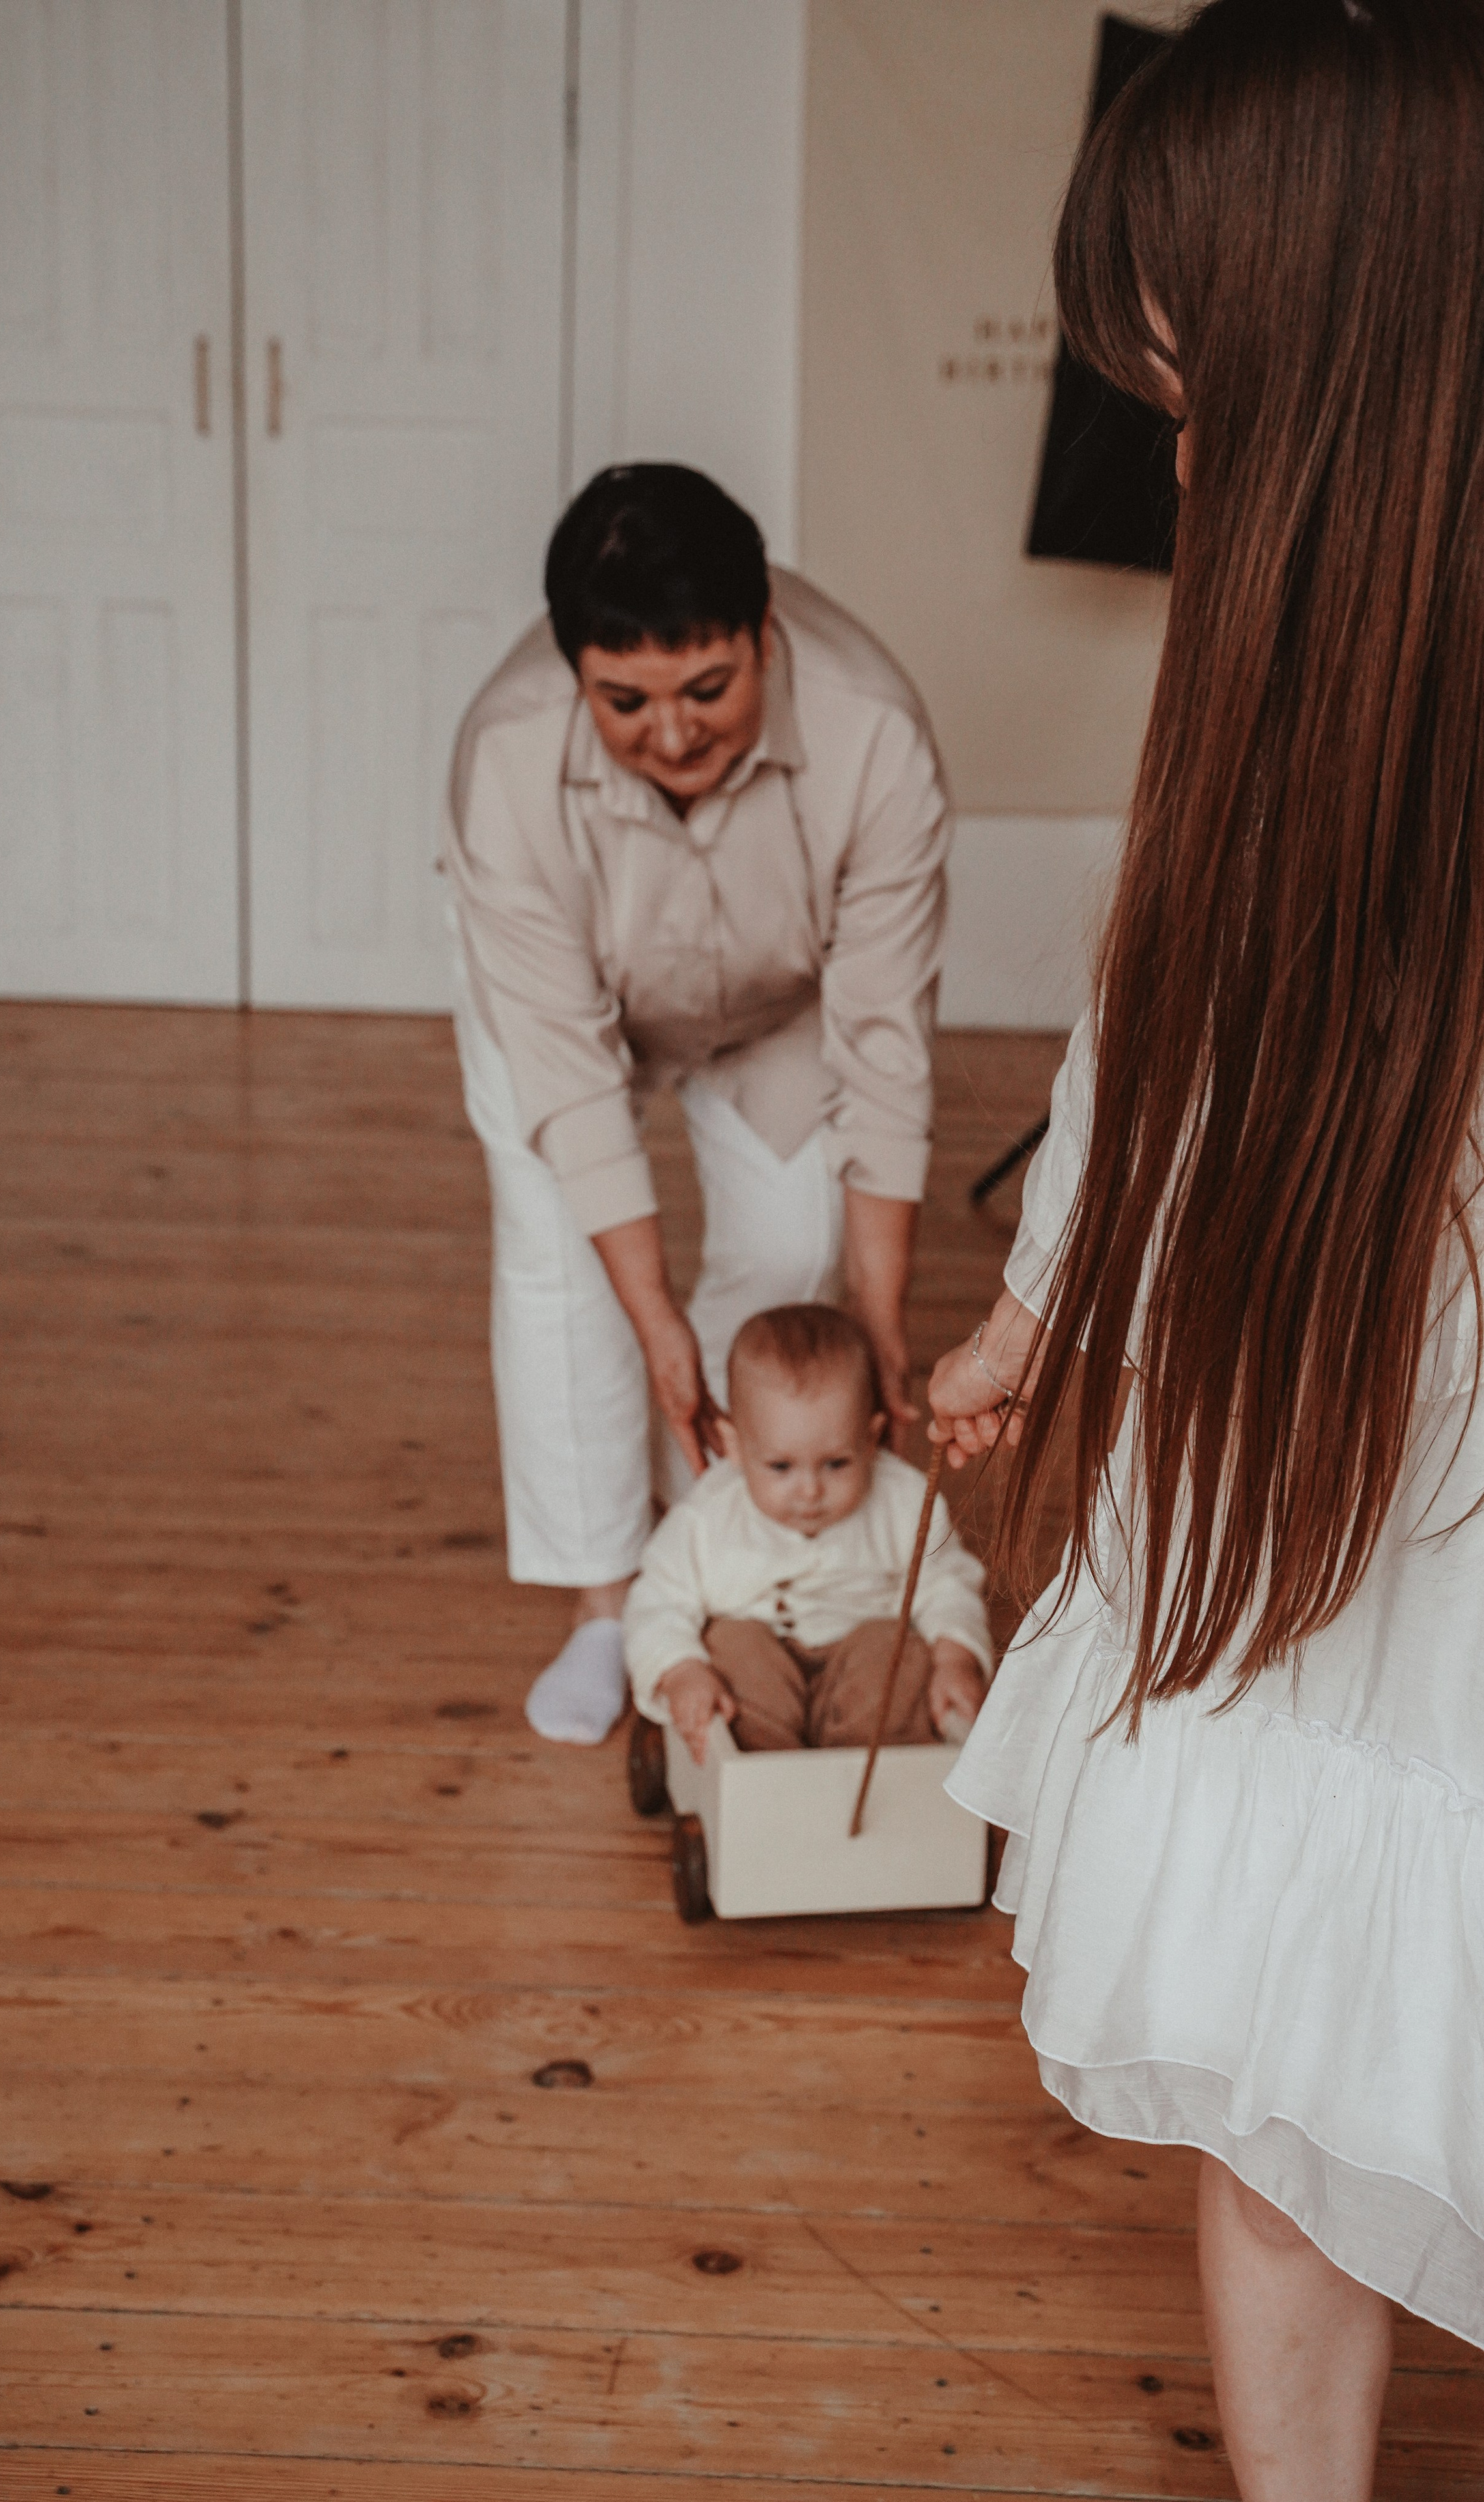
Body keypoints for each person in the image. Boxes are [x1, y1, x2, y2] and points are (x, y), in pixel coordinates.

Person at [927, 3, 1484, 2492]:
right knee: (1279, 2055)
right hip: (1284, 1432)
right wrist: (1052, 1294)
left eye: (1196, 396)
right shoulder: (1268, 643)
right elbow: (1157, 1003)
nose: (1174, 461)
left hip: (1421, 1458)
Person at [444, 466, 950, 1746]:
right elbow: (567, 1072)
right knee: (565, 1266)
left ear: (762, 639)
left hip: (781, 1010)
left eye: (705, 690)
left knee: (791, 1258)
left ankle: (730, 1567)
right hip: (571, 1005)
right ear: (575, 674)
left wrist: (878, 1318)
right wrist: (653, 1315)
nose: (670, 735)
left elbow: (883, 1047)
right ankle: (611, 1605)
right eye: (623, 702)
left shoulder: (873, 732)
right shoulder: (505, 756)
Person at [625, 1306, 990, 1762]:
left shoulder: (905, 1501)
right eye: (780, 1467)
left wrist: (956, 1656)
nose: (810, 1491)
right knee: (733, 1650)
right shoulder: (707, 1518)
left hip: (861, 1654)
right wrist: (680, 1670)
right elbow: (657, 1601)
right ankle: (767, 1777)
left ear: (871, 1438)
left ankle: (864, 1773)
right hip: (759, 1661)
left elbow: (947, 1582)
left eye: (837, 1463)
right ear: (735, 1446)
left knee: (899, 1656)